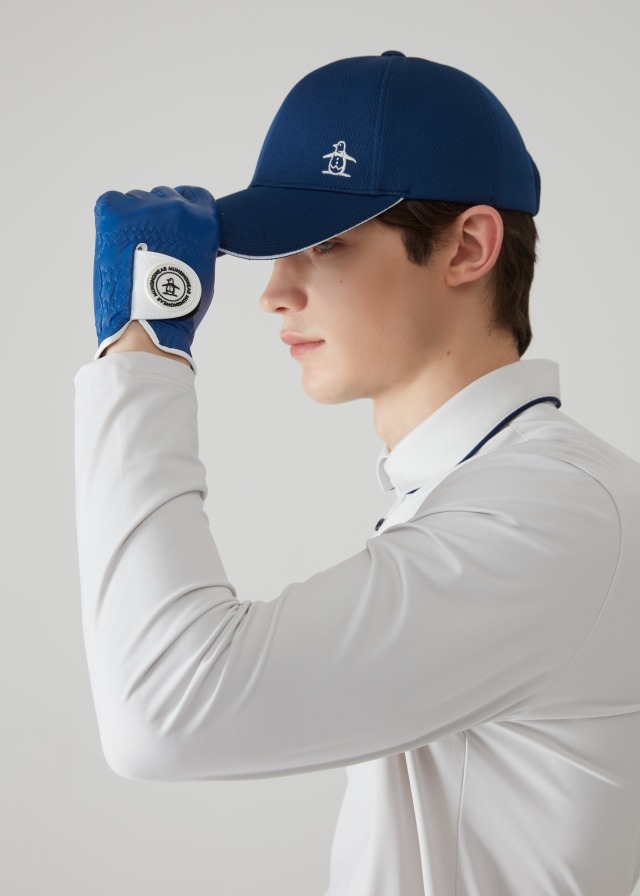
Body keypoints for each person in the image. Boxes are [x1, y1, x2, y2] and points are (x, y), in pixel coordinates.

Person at [75, 52, 640, 895]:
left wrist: (143, 351)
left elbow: (161, 713)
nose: (273, 292)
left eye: (324, 242)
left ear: (468, 247)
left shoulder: (548, 515)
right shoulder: (483, 488)